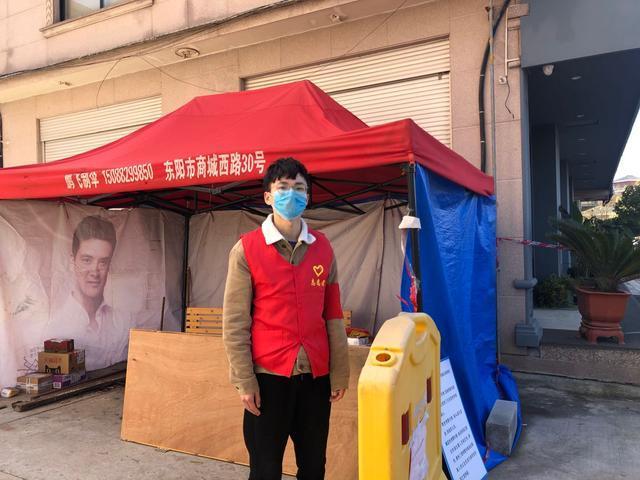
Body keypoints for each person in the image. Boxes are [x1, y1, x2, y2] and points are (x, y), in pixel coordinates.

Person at [223, 157, 350, 480]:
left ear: (308, 196)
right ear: (268, 196)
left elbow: (333, 315)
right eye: (282, 187)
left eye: (299, 188)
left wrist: (340, 373)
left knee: (314, 467)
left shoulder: (322, 248)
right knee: (265, 470)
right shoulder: (247, 249)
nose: (291, 194)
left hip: (315, 378)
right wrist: (244, 381)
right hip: (268, 378)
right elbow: (235, 323)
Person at [48, 215, 130, 371]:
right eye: (87, 260)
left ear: (109, 266)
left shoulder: (123, 322)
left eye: (103, 262)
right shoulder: (55, 327)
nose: (95, 271)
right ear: (72, 262)